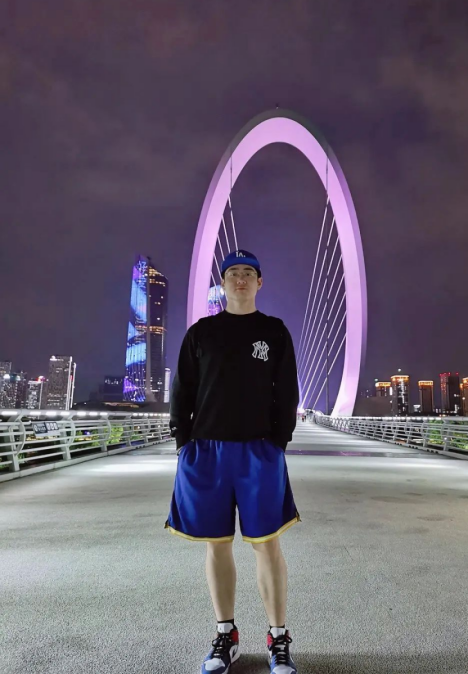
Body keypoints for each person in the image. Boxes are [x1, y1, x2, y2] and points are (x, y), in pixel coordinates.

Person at [165, 249, 301, 674]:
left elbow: (288, 391)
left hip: (260, 451)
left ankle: (278, 639)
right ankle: (227, 636)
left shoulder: (274, 332)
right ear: (222, 283)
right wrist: (184, 443)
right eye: (232, 273)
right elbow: (182, 390)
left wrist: (278, 442)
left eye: (248, 273)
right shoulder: (201, 333)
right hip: (206, 452)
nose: (240, 279)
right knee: (216, 543)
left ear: (260, 282)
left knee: (267, 545)